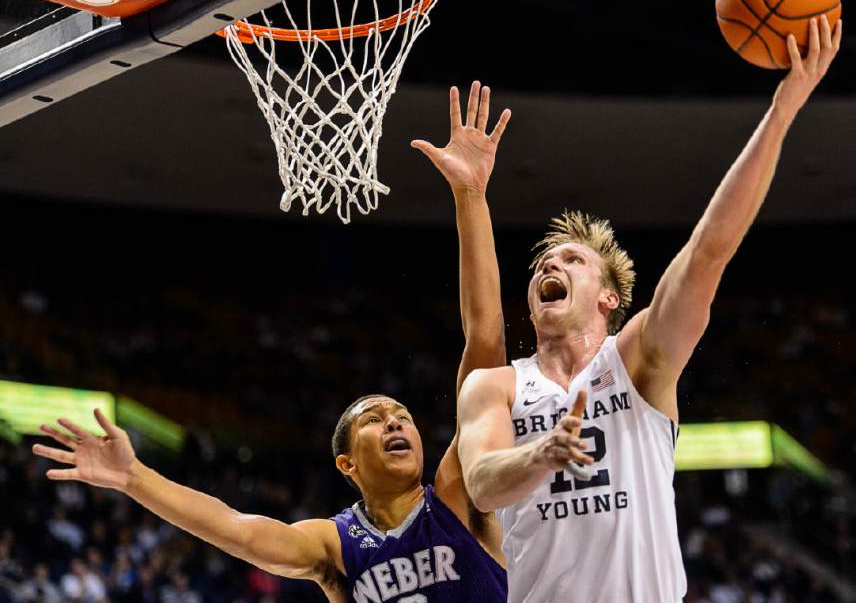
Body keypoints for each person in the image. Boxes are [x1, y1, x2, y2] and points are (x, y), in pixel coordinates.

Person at [32, 82, 512, 603]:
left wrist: (470, 195)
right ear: (346, 464)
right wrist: (134, 477)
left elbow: (485, 342)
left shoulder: (456, 495)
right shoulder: (334, 545)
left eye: (400, 415)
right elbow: (237, 530)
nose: (395, 421)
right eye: (373, 419)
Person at [456, 18, 843, 602]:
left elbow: (710, 250)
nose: (547, 268)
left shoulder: (638, 360)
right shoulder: (496, 386)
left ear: (609, 298)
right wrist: (544, 452)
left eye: (571, 260)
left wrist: (781, 112)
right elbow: (482, 485)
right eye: (540, 266)